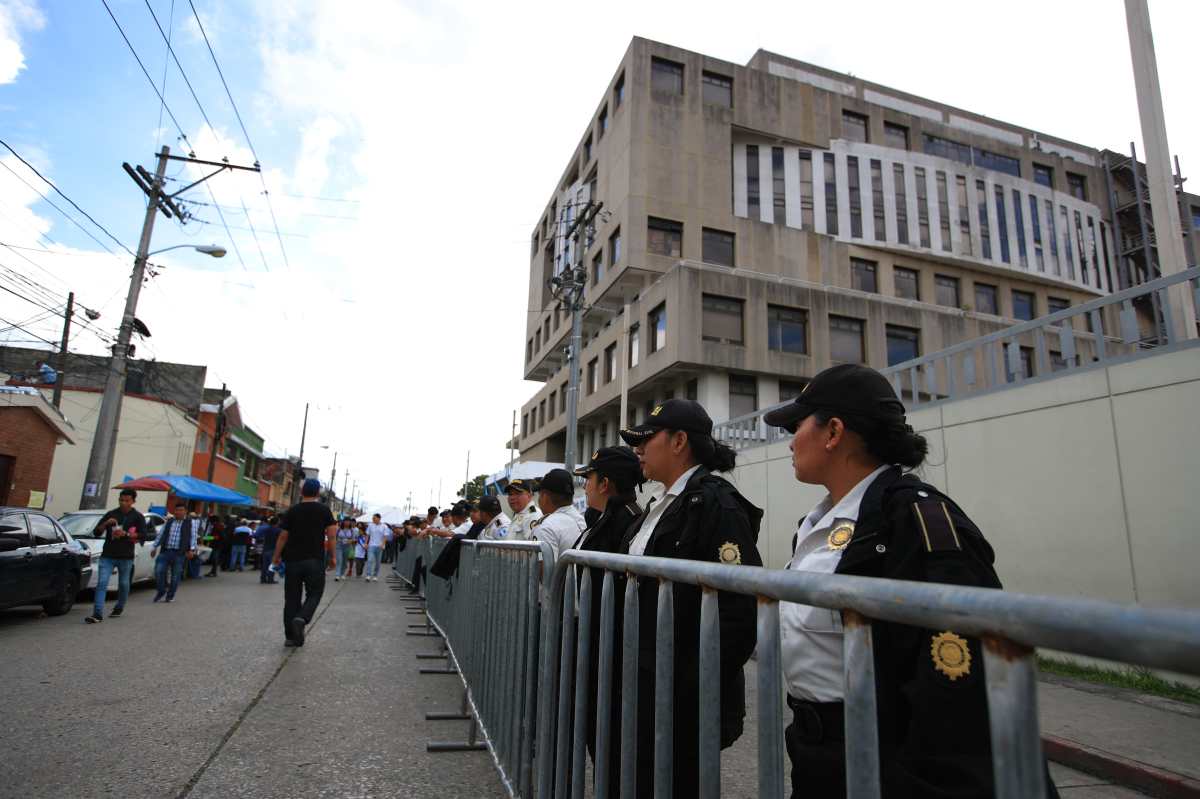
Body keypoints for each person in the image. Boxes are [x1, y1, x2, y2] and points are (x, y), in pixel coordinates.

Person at [762, 364, 1059, 799]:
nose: (790, 441)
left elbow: (956, 689)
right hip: (820, 752)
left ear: (833, 432)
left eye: (797, 425)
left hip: (887, 761)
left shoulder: (917, 520)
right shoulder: (820, 525)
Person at [617, 398, 763, 797]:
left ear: (680, 441)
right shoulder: (661, 504)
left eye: (647, 438)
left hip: (680, 696)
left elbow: (736, 612)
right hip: (646, 682)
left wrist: (689, 691)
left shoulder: (715, 504)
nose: (638, 449)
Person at [572, 446, 644, 779]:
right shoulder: (606, 519)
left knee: (612, 751)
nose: (584, 485)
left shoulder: (627, 522)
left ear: (604, 484)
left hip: (610, 655)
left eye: (589, 478)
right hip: (595, 647)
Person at [273, 478, 337, 647]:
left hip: (292, 560)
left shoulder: (292, 511)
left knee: (291, 598)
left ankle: (290, 637)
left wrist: (276, 557)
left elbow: (283, 536)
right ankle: (302, 618)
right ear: (318, 493)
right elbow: (331, 536)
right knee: (315, 593)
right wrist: (332, 556)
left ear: (301, 492)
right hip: (314, 560)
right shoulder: (324, 511)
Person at [85, 488, 148, 623]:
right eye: (121, 500)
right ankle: (97, 614)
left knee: (124, 584)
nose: (123, 503)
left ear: (133, 501)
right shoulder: (111, 514)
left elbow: (143, 535)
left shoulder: (137, 516)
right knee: (102, 583)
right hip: (108, 554)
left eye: (127, 501)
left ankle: (119, 607)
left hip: (126, 556)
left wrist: (126, 534)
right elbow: (96, 532)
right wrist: (106, 524)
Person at [531, 469, 585, 562]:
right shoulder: (581, 520)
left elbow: (541, 572)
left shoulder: (546, 527)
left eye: (540, 494)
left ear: (545, 496)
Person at [150, 501, 199, 602]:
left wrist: (192, 550)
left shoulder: (191, 523)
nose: (178, 512)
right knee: (158, 571)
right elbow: (161, 534)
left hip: (179, 553)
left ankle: (170, 595)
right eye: (176, 510)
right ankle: (161, 590)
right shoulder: (169, 521)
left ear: (185, 511)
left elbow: (193, 537)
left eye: (181, 510)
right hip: (166, 551)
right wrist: (154, 547)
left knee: (175, 576)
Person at [364, 513, 391, 582]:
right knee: (369, 560)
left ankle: (375, 575)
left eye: (374, 518)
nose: (373, 519)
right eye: (372, 518)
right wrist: (366, 543)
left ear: (379, 518)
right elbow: (367, 535)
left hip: (379, 546)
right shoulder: (370, 525)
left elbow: (385, 536)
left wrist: (383, 544)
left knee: (378, 562)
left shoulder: (384, 526)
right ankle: (368, 575)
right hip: (371, 545)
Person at [255, 516, 282, 584]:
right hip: (273, 549)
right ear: (277, 522)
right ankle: (270, 579)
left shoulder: (266, 529)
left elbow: (257, 535)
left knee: (265, 565)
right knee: (272, 565)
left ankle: (263, 579)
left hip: (265, 548)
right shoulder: (278, 530)